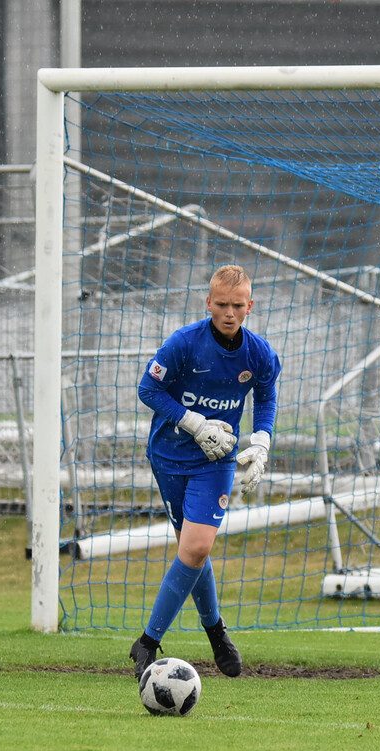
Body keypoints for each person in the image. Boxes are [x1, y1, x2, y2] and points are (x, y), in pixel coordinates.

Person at [130, 264, 281, 679]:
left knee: (196, 548)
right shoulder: (183, 343)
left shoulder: (260, 354)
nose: (229, 313)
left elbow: (266, 398)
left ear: (250, 306)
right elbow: (148, 389)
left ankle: (147, 641)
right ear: (208, 303)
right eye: (221, 304)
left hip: (217, 460)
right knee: (190, 549)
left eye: (237, 305)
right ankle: (215, 630)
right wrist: (195, 423)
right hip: (169, 455)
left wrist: (262, 443)